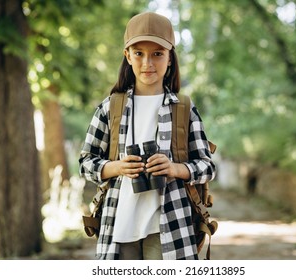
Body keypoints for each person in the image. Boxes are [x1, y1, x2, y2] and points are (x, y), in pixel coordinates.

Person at [79, 11, 216, 260]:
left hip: (171, 225)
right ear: (127, 56)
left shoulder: (183, 108)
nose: (147, 63)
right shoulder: (110, 108)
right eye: (139, 53)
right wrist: (116, 167)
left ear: (170, 58)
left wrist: (174, 169)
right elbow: (85, 162)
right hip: (118, 224)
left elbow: (207, 167)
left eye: (157, 54)